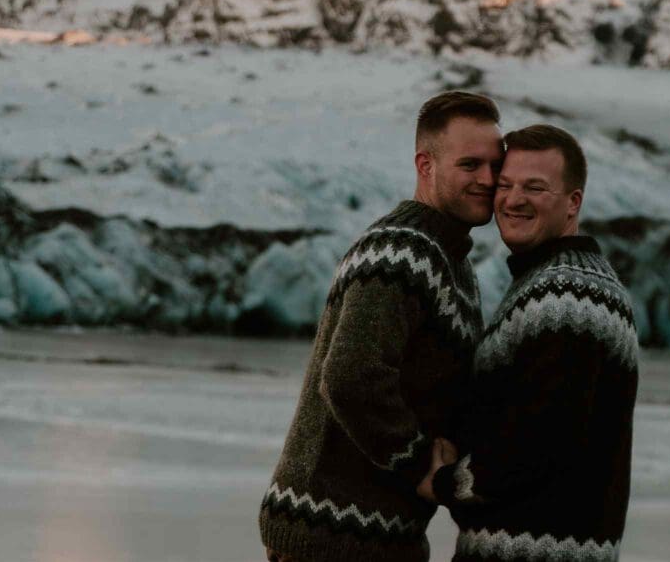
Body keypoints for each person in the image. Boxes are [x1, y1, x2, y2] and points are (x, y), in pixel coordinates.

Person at [258, 91, 504, 562]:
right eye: (470, 164)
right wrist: (419, 469)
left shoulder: (450, 261)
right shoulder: (400, 252)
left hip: (379, 536)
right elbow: (351, 377)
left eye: (495, 166)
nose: (488, 180)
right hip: (330, 535)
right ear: (425, 165)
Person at [425, 124, 639, 562]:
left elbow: (535, 439)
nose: (513, 199)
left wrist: (443, 482)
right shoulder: (560, 282)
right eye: (506, 185)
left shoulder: (567, 296)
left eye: (535, 187)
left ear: (573, 202)